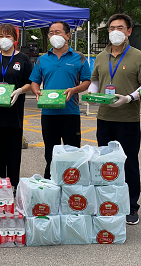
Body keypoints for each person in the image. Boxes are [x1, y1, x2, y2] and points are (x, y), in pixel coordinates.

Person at [87, 14, 141, 225]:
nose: (115, 31)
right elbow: (95, 81)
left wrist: (129, 98)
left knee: (129, 163)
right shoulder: (101, 57)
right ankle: (107, 202)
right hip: (105, 117)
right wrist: (92, 94)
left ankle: (131, 206)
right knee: (105, 163)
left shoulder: (138, 56)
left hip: (128, 118)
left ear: (129, 31)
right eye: (112, 27)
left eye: (120, 28)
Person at [29, 21, 91, 180]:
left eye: (58, 32)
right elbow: (34, 80)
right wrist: (36, 90)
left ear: (68, 35)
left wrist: (74, 90)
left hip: (70, 112)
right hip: (48, 112)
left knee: (73, 152)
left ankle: (73, 185)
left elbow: (86, 82)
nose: (54, 36)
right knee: (50, 152)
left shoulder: (79, 57)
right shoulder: (43, 59)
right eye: (51, 33)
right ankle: (51, 184)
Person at [0, 23, 33, 188]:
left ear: (15, 39)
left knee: (13, 153)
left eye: (8, 36)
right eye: (1, 36)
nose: (4, 39)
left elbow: (30, 83)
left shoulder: (23, 59)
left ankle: (13, 186)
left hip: (14, 113)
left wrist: (19, 91)